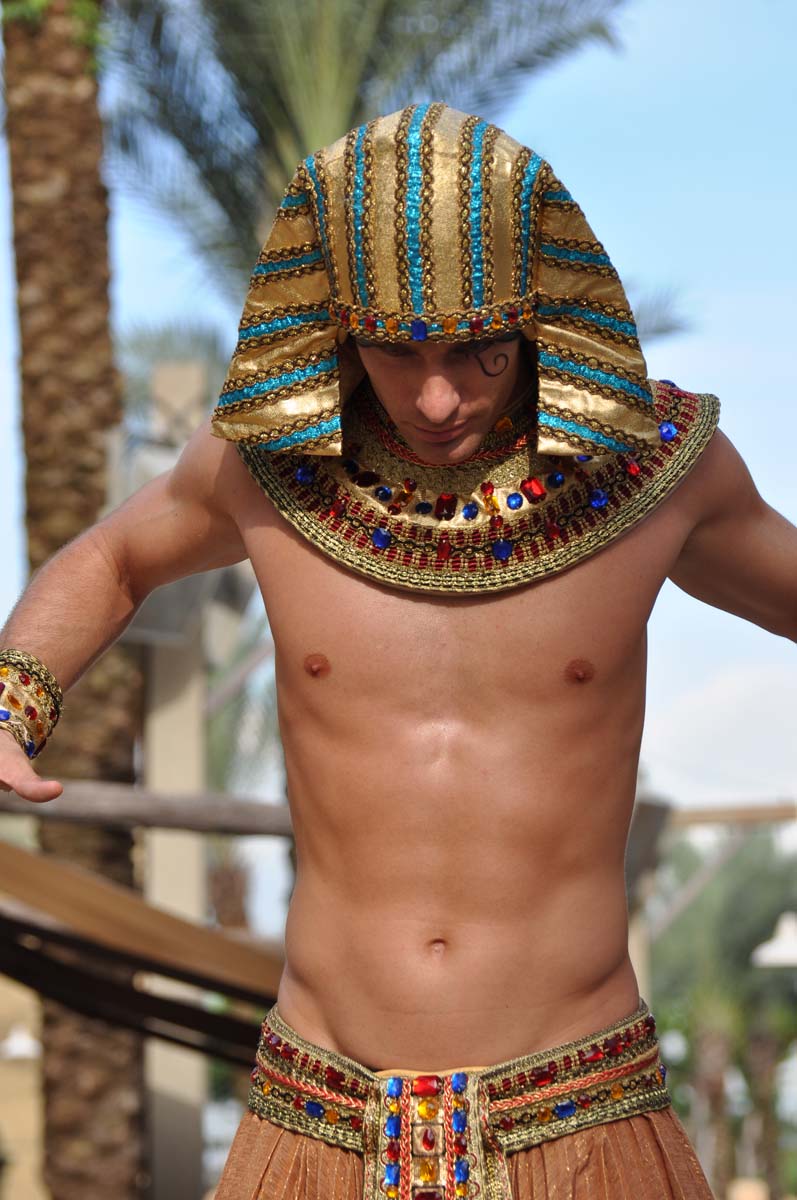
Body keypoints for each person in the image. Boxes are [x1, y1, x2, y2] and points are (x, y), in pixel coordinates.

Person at [1, 103, 792, 1200]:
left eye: (476, 351)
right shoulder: (261, 468)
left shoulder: (661, 473)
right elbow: (113, 557)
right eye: (393, 350)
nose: (435, 397)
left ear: (537, 315)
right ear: (338, 327)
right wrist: (12, 702)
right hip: (313, 1120)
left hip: (585, 1120)